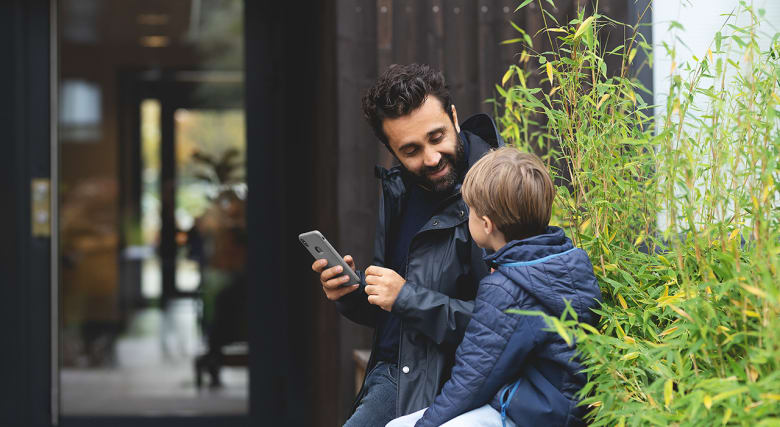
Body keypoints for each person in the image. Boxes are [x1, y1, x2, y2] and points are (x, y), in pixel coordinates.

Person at [311, 63, 503, 426]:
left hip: (457, 384)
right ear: (391, 151)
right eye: (411, 149)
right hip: (395, 376)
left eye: (437, 137)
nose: (431, 158)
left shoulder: (499, 190)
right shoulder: (399, 189)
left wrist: (406, 297)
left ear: (455, 118)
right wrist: (352, 294)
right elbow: (395, 316)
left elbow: (503, 325)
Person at [386, 147, 602, 427]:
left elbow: (471, 379)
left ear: (486, 224)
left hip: (530, 415)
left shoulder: (506, 289)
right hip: (563, 405)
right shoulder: (568, 261)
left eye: (470, 212)